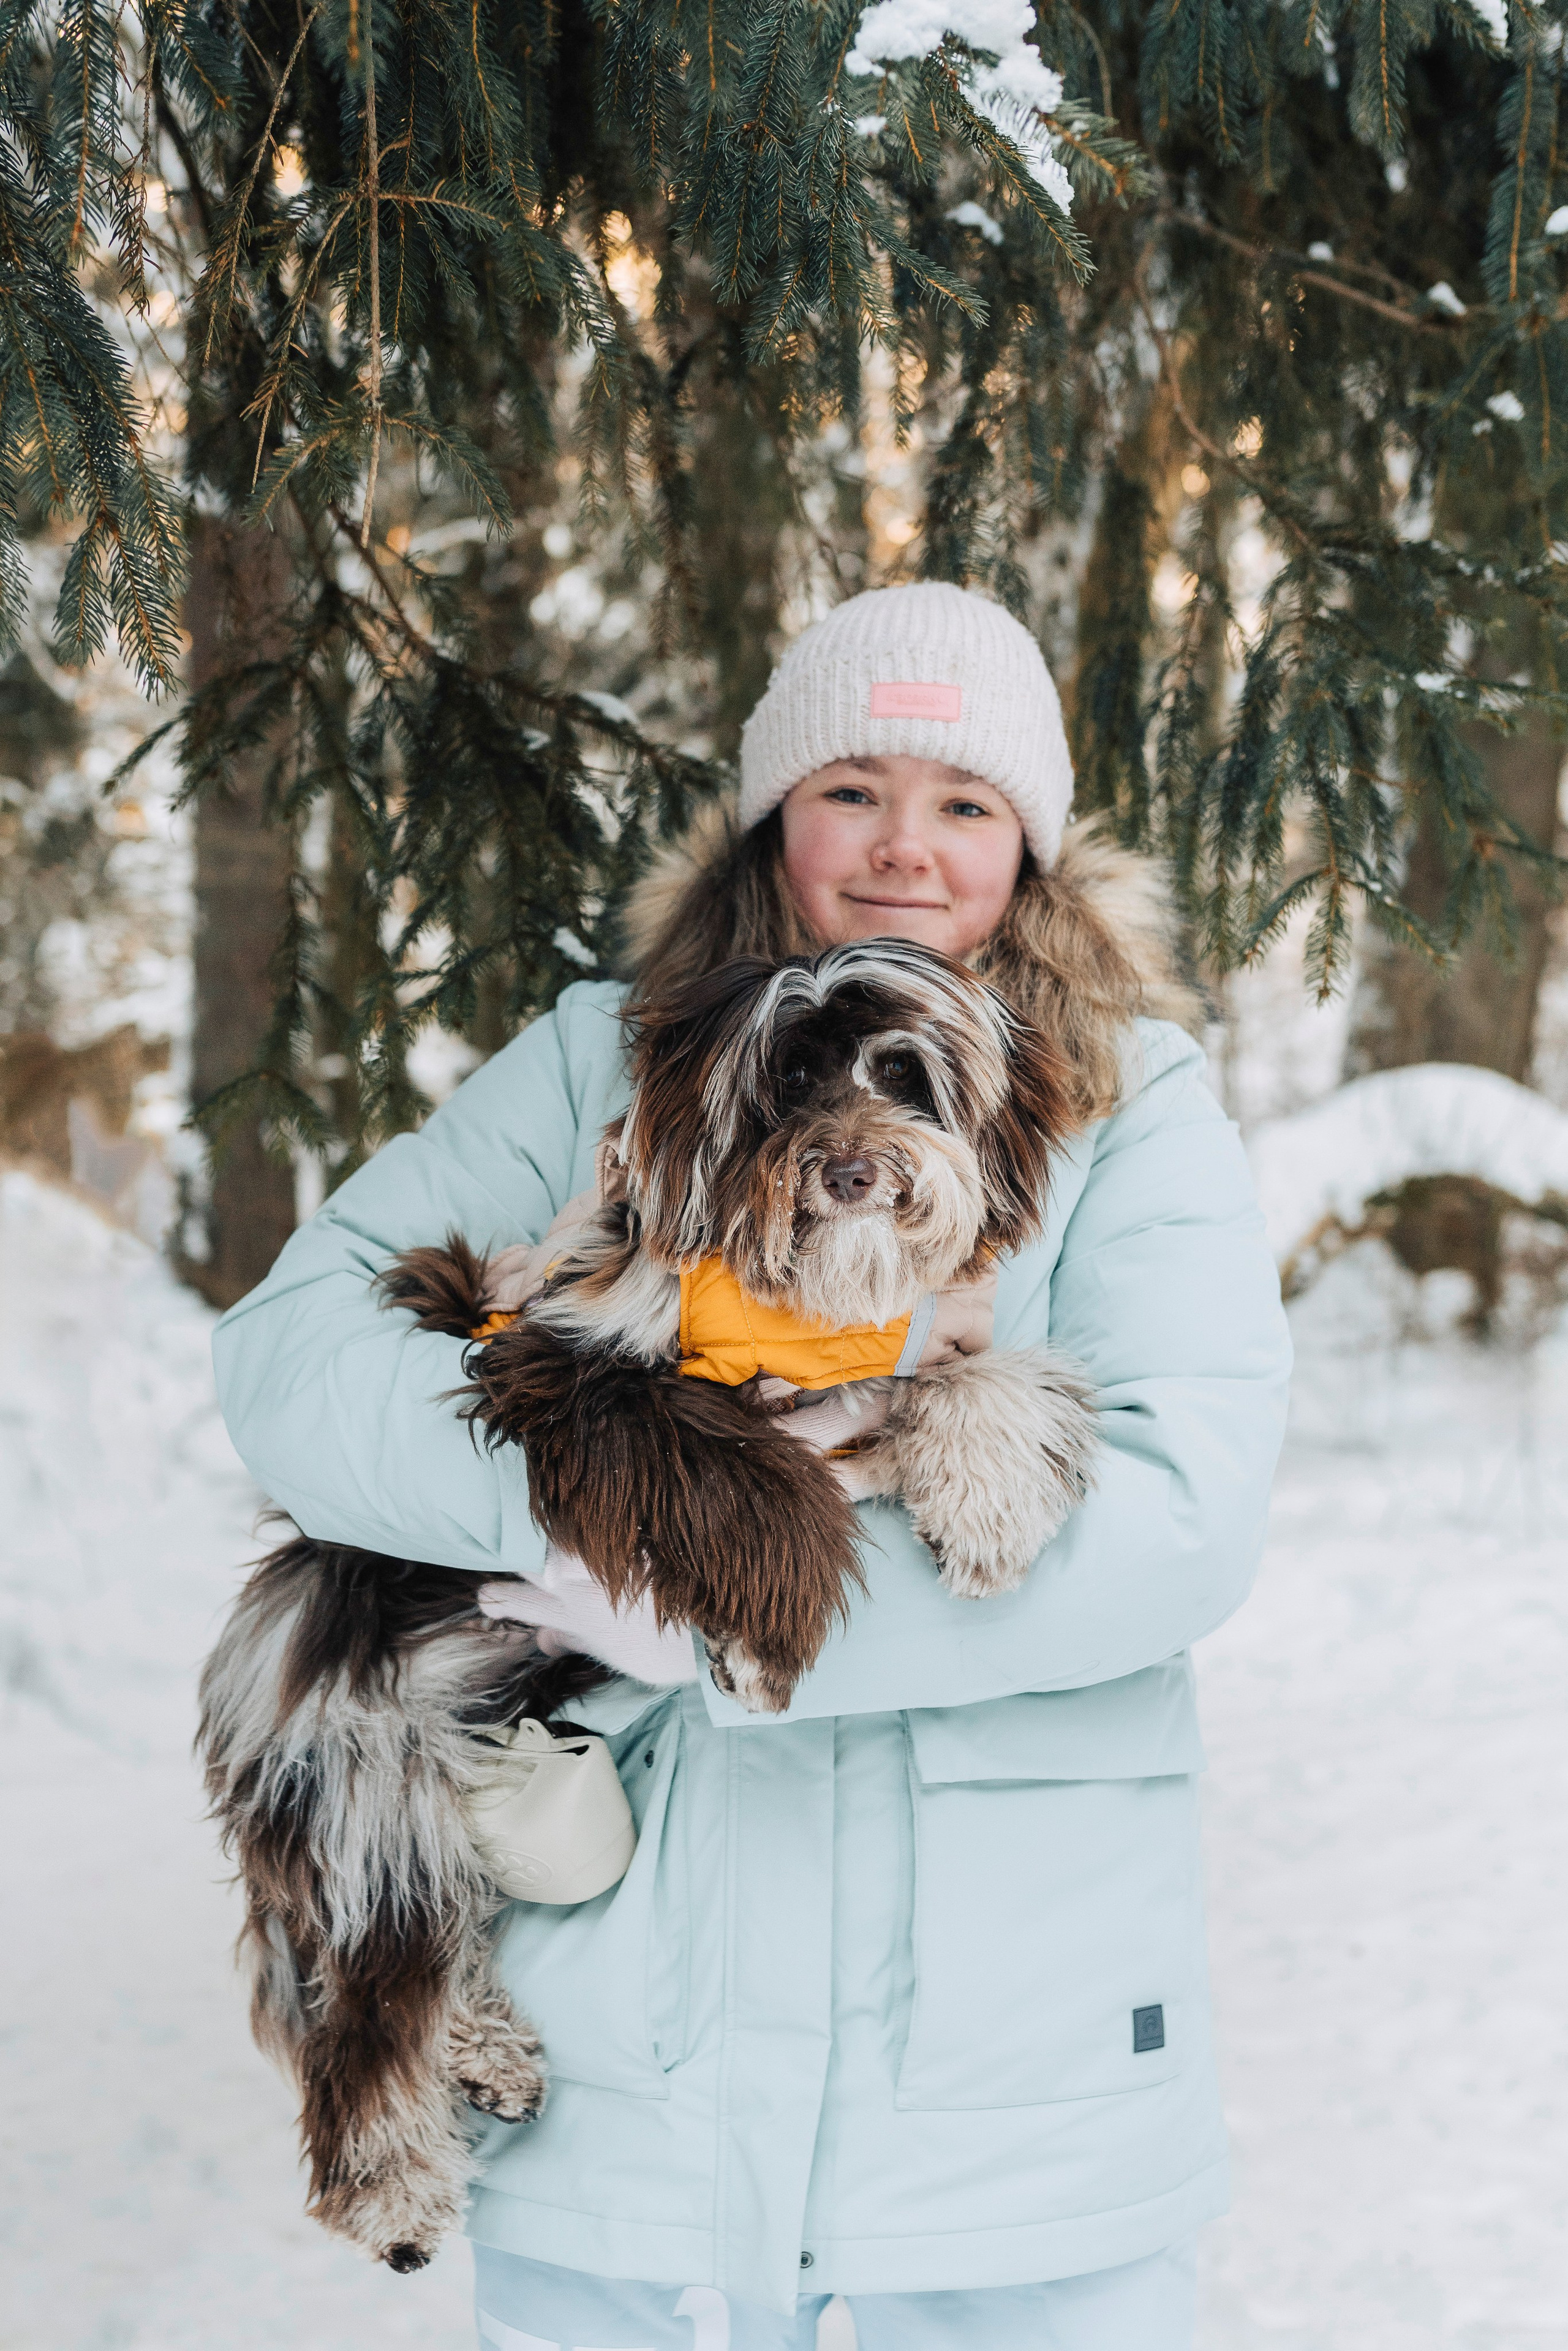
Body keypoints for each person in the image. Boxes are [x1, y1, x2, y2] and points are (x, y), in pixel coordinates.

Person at [213, 583, 1292, 2351]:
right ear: (776, 815)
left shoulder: (1127, 1100)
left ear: (1029, 844)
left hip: (1013, 2082)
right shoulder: (604, 1060)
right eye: (851, 789)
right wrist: (600, 1518)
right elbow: (288, 1361)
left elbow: (1183, 1518)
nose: (903, 847)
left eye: (964, 802)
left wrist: (751, 1620)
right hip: (628, 2078)